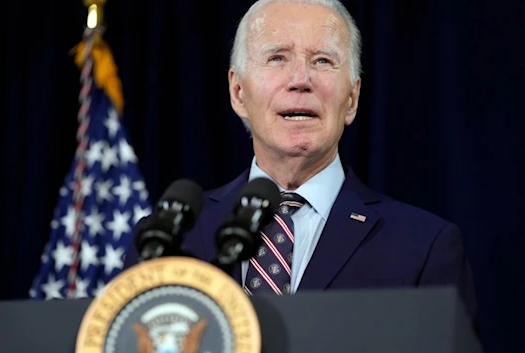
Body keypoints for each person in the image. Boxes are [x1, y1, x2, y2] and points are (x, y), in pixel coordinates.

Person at [123, 0, 478, 326]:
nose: (300, 80)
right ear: (238, 93)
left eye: (322, 60)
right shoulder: (168, 240)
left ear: (352, 98)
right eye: (277, 58)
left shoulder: (423, 246)